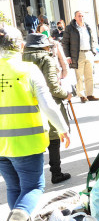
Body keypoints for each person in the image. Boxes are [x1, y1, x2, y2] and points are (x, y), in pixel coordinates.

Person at [0, 26, 70, 221]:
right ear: (19, 45)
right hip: (26, 141)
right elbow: (48, 105)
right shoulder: (27, 69)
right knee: (33, 187)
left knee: (14, 186)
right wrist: (63, 129)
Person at [22, 33, 72, 184]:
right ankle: (56, 173)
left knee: (34, 140)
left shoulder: (21, 59)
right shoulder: (46, 59)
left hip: (28, 102)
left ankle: (31, 177)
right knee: (54, 138)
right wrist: (66, 95)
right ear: (43, 46)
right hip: (48, 101)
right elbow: (53, 87)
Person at [61, 11, 99, 103]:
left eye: (82, 16)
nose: (81, 17)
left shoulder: (88, 27)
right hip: (78, 54)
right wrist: (68, 56)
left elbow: (92, 40)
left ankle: (90, 94)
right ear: (75, 18)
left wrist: (93, 51)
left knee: (89, 75)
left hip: (88, 53)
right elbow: (65, 43)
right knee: (79, 76)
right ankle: (81, 95)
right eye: (79, 16)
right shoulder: (70, 28)